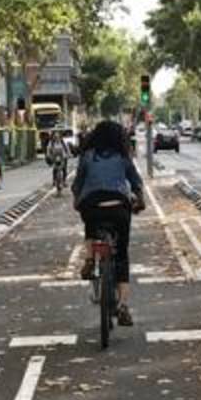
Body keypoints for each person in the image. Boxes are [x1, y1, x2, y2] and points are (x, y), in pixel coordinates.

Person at [72, 120, 145, 327]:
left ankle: (89, 259)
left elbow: (78, 184)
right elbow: (136, 182)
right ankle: (122, 306)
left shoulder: (87, 156)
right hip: (119, 208)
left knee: (90, 224)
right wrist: (140, 200)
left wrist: (77, 201)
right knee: (121, 254)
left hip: (92, 207)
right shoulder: (122, 156)